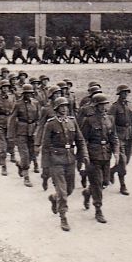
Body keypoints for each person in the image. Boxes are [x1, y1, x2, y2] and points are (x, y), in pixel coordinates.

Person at [42, 97, 88, 231]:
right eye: (61, 107)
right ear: (56, 109)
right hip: (56, 160)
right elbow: (45, 147)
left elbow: (80, 140)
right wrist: (45, 167)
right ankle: (63, 217)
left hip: (70, 160)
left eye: (66, 106)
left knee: (70, 189)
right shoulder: (50, 124)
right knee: (63, 192)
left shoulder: (72, 122)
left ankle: (54, 198)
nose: (64, 109)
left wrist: (83, 155)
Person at [81, 93, 119, 223]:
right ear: (95, 107)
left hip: (106, 155)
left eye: (105, 105)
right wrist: (85, 156)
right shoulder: (89, 120)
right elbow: (83, 140)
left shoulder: (110, 119)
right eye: (101, 105)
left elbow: (114, 137)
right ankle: (98, 209)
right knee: (97, 183)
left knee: (105, 182)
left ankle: (88, 193)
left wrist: (116, 152)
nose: (103, 107)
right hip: (93, 156)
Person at [8, 84, 40, 187]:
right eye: (27, 93)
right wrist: (10, 135)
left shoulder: (36, 103)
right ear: (23, 94)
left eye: (30, 93)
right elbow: (12, 119)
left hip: (33, 131)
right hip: (21, 132)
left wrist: (38, 132)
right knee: (25, 155)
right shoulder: (18, 104)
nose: (28, 95)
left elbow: (39, 119)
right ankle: (26, 178)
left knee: (32, 154)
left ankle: (21, 165)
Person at [109, 85, 132, 195]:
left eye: (126, 92)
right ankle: (123, 185)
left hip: (129, 137)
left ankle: (111, 171)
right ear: (119, 94)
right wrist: (114, 137)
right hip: (118, 137)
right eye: (123, 93)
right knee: (122, 161)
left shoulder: (130, 105)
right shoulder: (114, 107)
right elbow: (111, 124)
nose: (125, 94)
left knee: (126, 161)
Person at [35, 85, 62, 190]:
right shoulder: (46, 109)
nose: (58, 96)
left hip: (59, 141)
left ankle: (57, 184)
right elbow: (41, 126)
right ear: (51, 96)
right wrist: (37, 143)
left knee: (58, 164)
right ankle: (45, 178)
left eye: (59, 94)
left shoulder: (64, 108)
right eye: (56, 94)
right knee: (46, 166)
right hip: (48, 140)